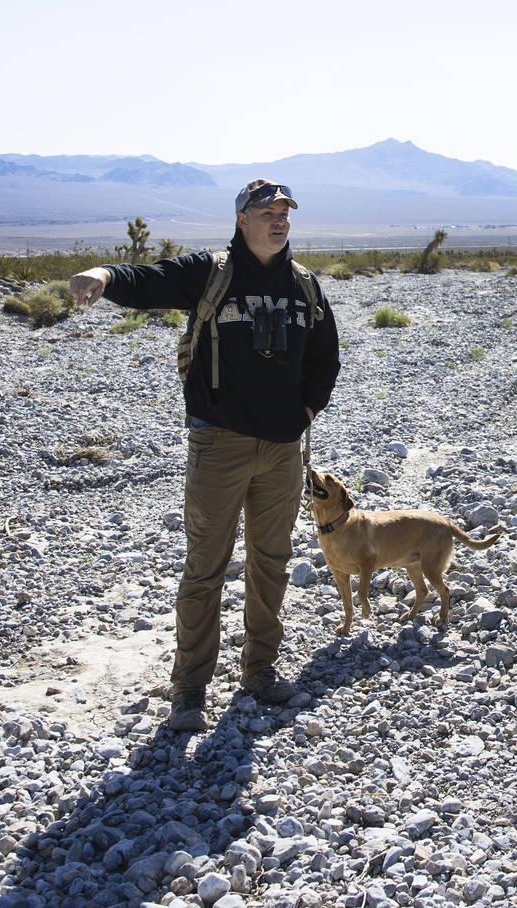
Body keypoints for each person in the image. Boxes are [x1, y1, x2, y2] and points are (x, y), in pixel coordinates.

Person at [70, 180, 341, 731]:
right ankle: (190, 687)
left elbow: (325, 359)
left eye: (285, 211)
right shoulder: (212, 272)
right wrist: (104, 275)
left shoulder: (304, 286)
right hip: (219, 445)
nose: (278, 220)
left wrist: (306, 413)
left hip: (284, 451)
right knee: (206, 567)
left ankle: (259, 670)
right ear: (242, 219)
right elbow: (151, 280)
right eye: (266, 211)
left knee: (272, 563)